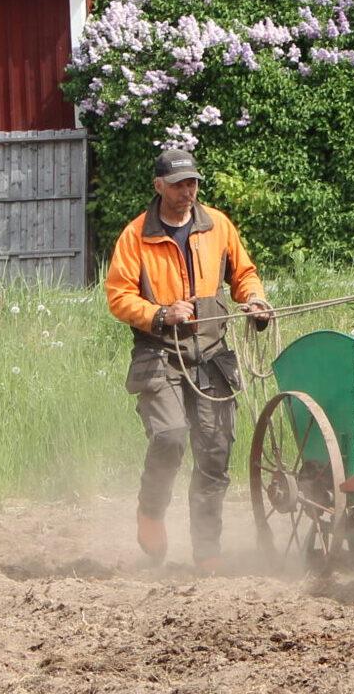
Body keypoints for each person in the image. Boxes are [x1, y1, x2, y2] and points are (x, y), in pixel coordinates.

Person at [105, 148, 272, 573]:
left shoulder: (218, 226)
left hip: (212, 354)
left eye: (192, 183)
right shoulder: (135, 236)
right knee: (171, 436)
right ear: (158, 186)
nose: (187, 191)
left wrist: (254, 299)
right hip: (159, 352)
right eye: (179, 184)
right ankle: (151, 511)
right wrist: (160, 314)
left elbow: (244, 273)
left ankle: (207, 552)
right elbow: (118, 296)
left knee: (215, 453)